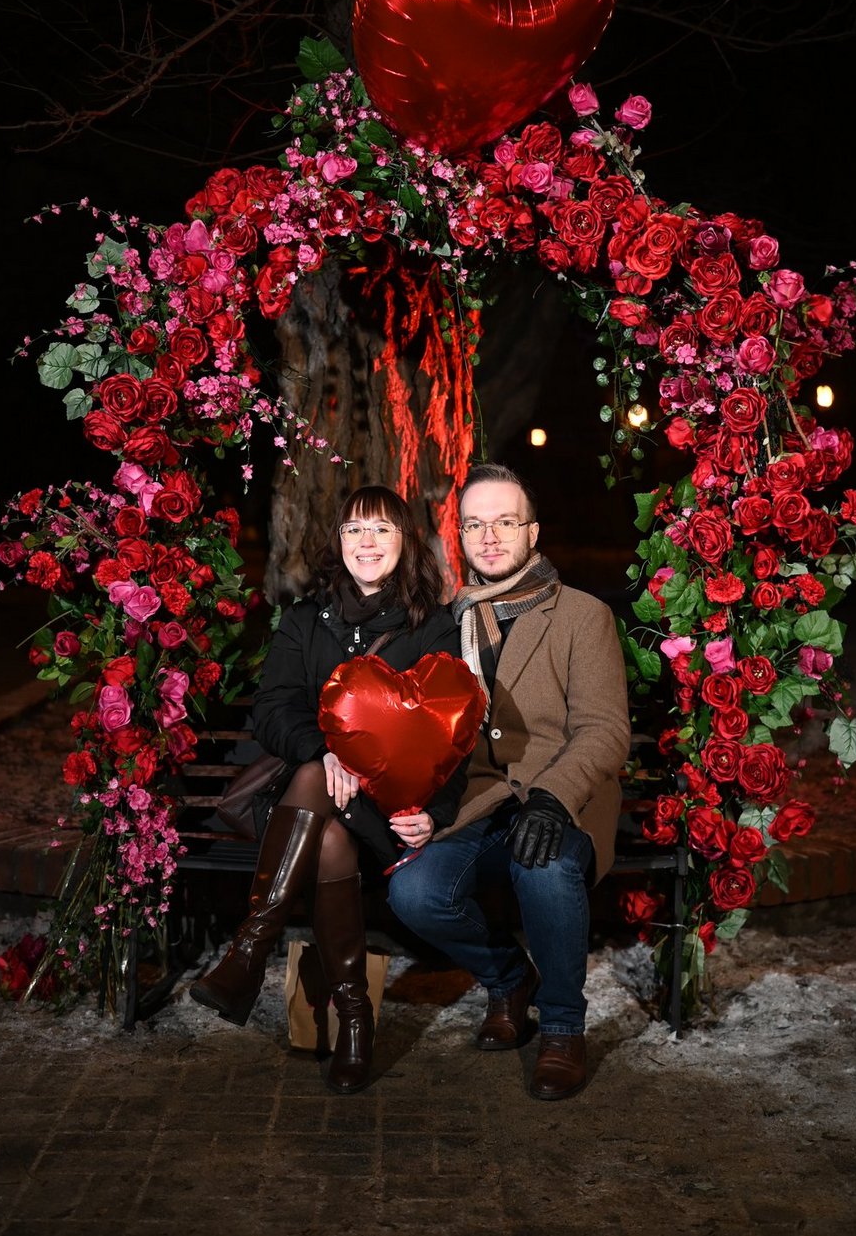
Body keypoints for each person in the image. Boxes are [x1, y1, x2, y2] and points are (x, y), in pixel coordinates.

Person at [190, 485, 465, 1095]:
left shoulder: (432, 625)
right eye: (354, 531)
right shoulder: (304, 620)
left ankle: (248, 953)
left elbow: (448, 734)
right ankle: (355, 1023)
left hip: (387, 808)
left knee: (334, 810)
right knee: (328, 823)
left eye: (382, 530)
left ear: (405, 542)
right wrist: (323, 749)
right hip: (306, 812)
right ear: (339, 543)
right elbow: (271, 711)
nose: (367, 543)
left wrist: (434, 810)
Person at [387, 463, 631, 1101]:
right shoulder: (447, 620)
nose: (489, 537)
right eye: (475, 525)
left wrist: (552, 798)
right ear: (460, 537)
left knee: (544, 866)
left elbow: (604, 730)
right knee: (414, 892)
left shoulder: (582, 615)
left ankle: (560, 1027)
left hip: (560, 799)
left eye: (504, 522)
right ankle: (507, 980)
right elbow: (423, 730)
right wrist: (422, 803)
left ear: (532, 532)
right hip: (478, 804)